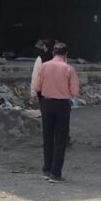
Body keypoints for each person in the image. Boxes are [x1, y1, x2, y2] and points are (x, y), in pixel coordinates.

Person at [32, 42, 80, 183]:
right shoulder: (69, 69)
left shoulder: (44, 66)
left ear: (53, 53)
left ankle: (46, 169)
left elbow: (37, 87)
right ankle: (55, 173)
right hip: (62, 105)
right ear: (66, 54)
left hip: (46, 104)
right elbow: (75, 91)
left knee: (47, 137)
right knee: (60, 139)